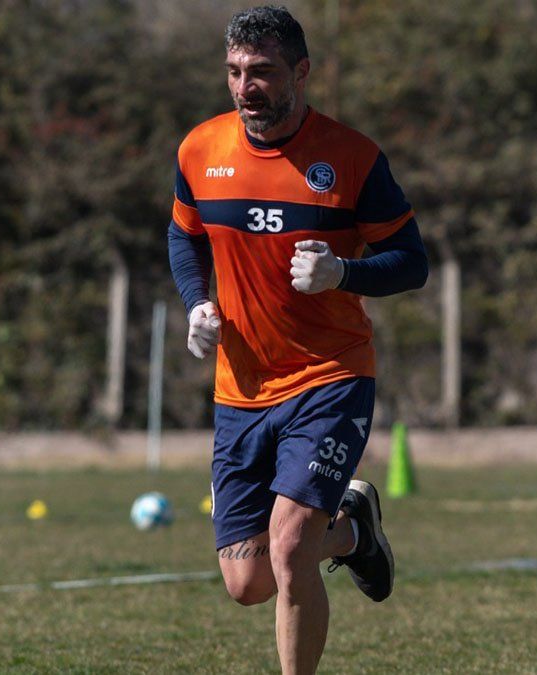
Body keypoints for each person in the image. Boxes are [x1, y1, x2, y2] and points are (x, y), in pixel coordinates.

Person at [166, 5, 428, 673]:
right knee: (248, 582)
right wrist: (198, 303)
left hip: (329, 377)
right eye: (234, 72)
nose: (246, 86)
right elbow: (184, 235)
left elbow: (411, 259)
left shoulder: (351, 158)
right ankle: (351, 528)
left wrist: (344, 272)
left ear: (302, 72)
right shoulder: (200, 150)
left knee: (287, 549)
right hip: (242, 386)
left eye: (262, 72)